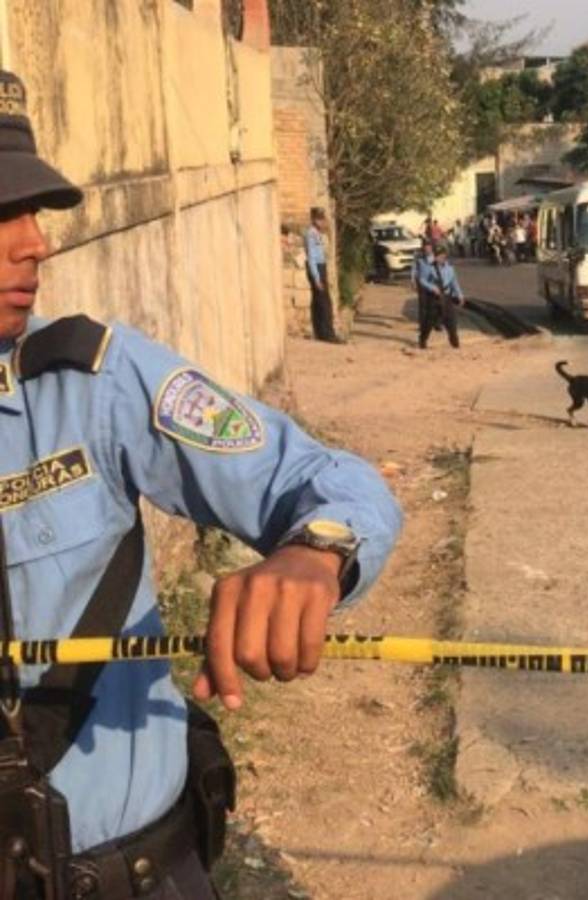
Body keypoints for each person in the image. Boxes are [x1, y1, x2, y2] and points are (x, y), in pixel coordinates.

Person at [0, 69, 403, 898]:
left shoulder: (93, 383)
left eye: (30, 211)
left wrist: (314, 554)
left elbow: (321, 481)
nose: (33, 242)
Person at [418, 244, 465, 349]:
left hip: (447, 297)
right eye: (438, 256)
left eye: (442, 255)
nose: (441, 258)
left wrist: (460, 295)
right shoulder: (429, 267)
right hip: (434, 298)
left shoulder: (450, 268)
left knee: (451, 320)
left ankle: (454, 342)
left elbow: (454, 283)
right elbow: (422, 280)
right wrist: (432, 287)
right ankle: (423, 339)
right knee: (429, 321)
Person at [305, 207, 340, 343]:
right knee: (324, 303)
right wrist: (317, 278)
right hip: (317, 268)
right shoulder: (311, 234)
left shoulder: (318, 233)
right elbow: (312, 258)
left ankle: (321, 332)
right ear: (314, 220)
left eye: (323, 219)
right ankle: (328, 334)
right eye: (320, 219)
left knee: (319, 301)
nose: (323, 222)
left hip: (321, 267)